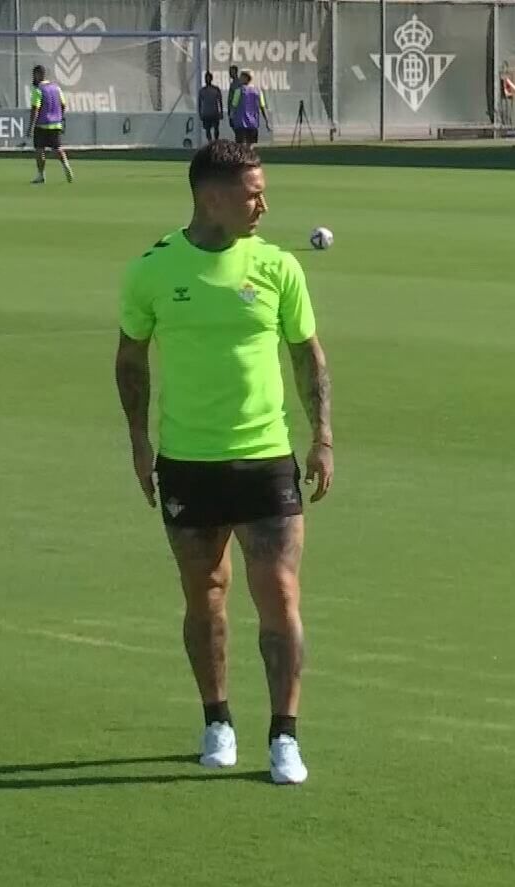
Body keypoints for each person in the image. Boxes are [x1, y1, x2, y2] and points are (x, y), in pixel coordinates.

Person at [114, 139, 334, 785]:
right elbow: (130, 360)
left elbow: (307, 354)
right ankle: (217, 719)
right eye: (251, 192)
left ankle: (284, 736)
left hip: (266, 458)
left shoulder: (278, 267)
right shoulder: (152, 270)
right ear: (211, 197)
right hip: (187, 462)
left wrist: (322, 435)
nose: (263, 203)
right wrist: (136, 441)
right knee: (205, 595)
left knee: (280, 595)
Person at [28, 65, 73, 184]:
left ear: (38, 75)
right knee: (57, 148)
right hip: (55, 124)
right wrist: (60, 117)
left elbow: (35, 109)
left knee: (40, 150)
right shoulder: (56, 88)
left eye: (34, 75)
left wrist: (31, 127)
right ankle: (66, 166)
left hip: (42, 124)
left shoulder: (38, 90)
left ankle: (41, 175)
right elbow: (63, 104)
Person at [229, 71, 267, 147]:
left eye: (241, 77)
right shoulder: (258, 91)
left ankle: (242, 158)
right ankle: (249, 157)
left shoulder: (239, 90)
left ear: (246, 78)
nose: (239, 79)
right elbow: (262, 106)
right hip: (253, 122)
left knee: (240, 144)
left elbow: (234, 105)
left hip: (240, 122)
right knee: (250, 144)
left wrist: (231, 117)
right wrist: (266, 120)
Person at [196, 72, 223, 143]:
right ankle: (210, 142)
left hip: (215, 112)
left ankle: (216, 141)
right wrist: (200, 113)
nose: (208, 80)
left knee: (216, 129)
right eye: (206, 78)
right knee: (207, 129)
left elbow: (220, 101)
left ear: (211, 79)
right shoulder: (202, 90)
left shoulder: (216, 89)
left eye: (209, 78)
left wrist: (221, 112)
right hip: (206, 113)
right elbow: (199, 103)